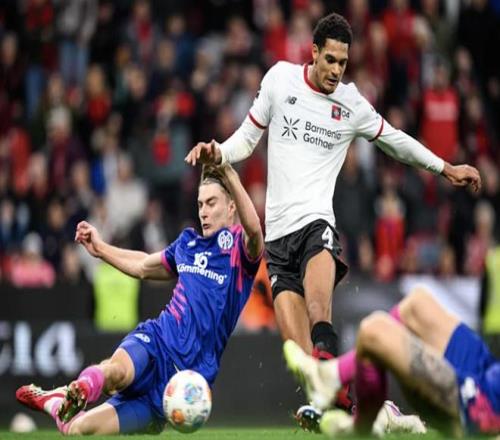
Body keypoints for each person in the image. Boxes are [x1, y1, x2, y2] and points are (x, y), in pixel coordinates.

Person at [185, 11, 481, 423]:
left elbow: (396, 141)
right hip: (277, 241)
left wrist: (445, 168)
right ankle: (374, 413)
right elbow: (246, 141)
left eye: (343, 62)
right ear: (314, 52)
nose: (337, 70)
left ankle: (346, 407)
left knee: (319, 312)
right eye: (330, 60)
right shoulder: (280, 80)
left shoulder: (351, 103)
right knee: (300, 359)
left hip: (317, 226)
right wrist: (217, 151)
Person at [16, 163, 264, 435]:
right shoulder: (188, 244)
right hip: (157, 342)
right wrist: (100, 249)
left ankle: (56, 401)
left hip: (180, 383)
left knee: (80, 430)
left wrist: (229, 172)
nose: (203, 211)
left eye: (211, 203)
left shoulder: (239, 251)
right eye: (200, 204)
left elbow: (255, 231)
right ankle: (81, 388)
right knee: (117, 373)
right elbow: (144, 265)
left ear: (231, 207)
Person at [284, 286, 500, 437]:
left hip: (485, 405)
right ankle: (358, 416)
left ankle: (337, 390)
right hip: (490, 373)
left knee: (374, 331)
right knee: (417, 304)